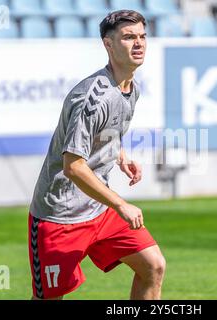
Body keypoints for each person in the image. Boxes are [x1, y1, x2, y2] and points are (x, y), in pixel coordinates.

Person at [28, 10, 165, 300]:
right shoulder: (92, 96)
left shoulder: (131, 88)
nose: (138, 44)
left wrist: (120, 154)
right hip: (60, 215)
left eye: (142, 36)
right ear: (108, 44)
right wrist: (121, 205)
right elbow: (73, 166)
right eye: (128, 37)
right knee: (50, 298)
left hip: (99, 210)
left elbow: (105, 133)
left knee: (153, 266)